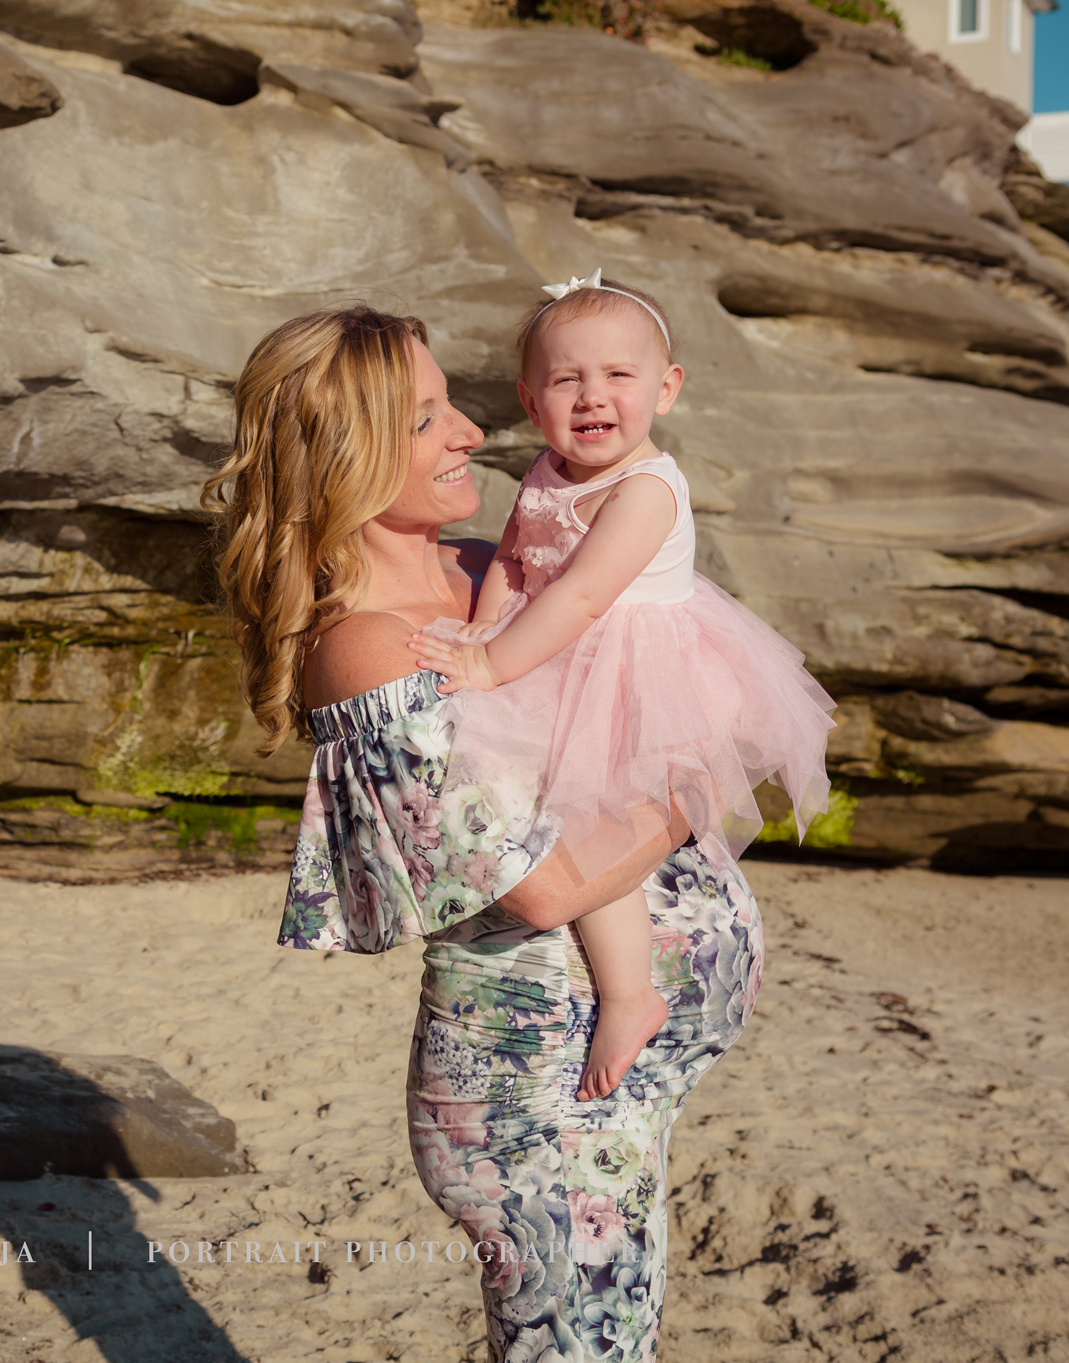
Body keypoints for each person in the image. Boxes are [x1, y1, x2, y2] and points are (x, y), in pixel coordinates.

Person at [204, 304, 766, 1361]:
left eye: (451, 404)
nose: (468, 431)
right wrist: (701, 777)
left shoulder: (490, 567)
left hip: (618, 1087)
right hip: (534, 1103)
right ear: (344, 456)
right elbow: (542, 888)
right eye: (424, 420)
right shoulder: (366, 651)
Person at [407, 271, 835, 1102]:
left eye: (618, 376)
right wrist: (484, 626)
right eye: (567, 380)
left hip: (640, 667)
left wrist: (493, 664)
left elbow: (583, 593)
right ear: (533, 404)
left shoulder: (647, 489)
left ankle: (630, 993)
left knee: (598, 827)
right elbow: (519, 558)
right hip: (562, 645)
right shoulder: (545, 467)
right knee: (540, 798)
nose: (592, 396)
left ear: (665, 390)